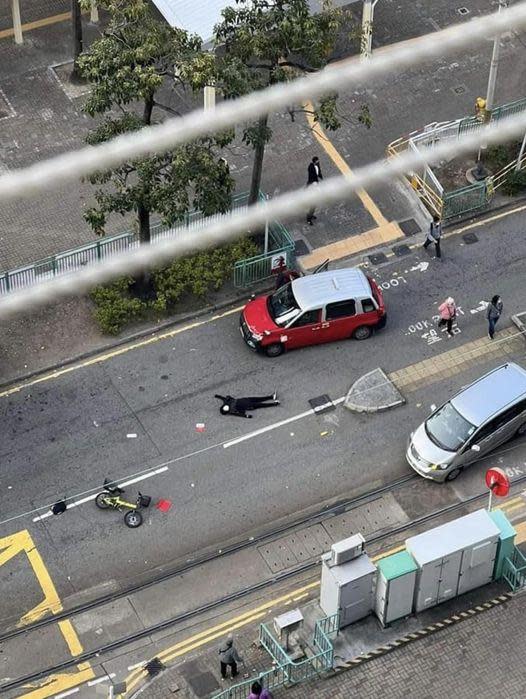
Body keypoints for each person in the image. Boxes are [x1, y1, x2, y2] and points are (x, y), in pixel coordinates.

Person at [215, 393, 280, 418]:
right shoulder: (230, 409)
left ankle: (272, 397)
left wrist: (218, 396)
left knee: (260, 399)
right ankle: (274, 403)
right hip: (249, 404)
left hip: (248, 401)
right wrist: (246, 416)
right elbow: (238, 415)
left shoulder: (227, 404)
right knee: (261, 404)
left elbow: (223, 399)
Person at [306, 156, 323, 225]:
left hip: (315, 185)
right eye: (317, 161)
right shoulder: (310, 167)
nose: (318, 162)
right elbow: (311, 176)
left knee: (314, 205)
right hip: (312, 186)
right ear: (315, 161)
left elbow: (318, 171)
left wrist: (320, 176)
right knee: (312, 205)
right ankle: (308, 219)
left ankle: (310, 215)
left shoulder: (317, 165)